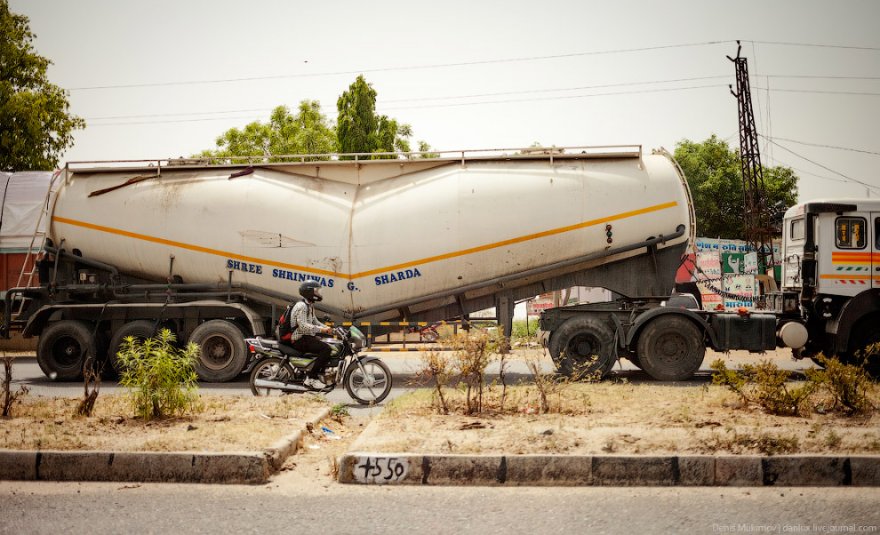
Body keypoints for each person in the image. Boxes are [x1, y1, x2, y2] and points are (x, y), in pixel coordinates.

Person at [289, 280, 334, 390]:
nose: (318, 293)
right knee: (326, 349)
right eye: (316, 291)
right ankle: (311, 378)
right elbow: (303, 326)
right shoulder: (302, 306)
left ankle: (317, 373)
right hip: (298, 338)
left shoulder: (309, 306)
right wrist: (322, 330)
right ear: (309, 292)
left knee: (326, 345)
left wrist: (327, 328)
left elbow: (315, 322)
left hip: (306, 336)